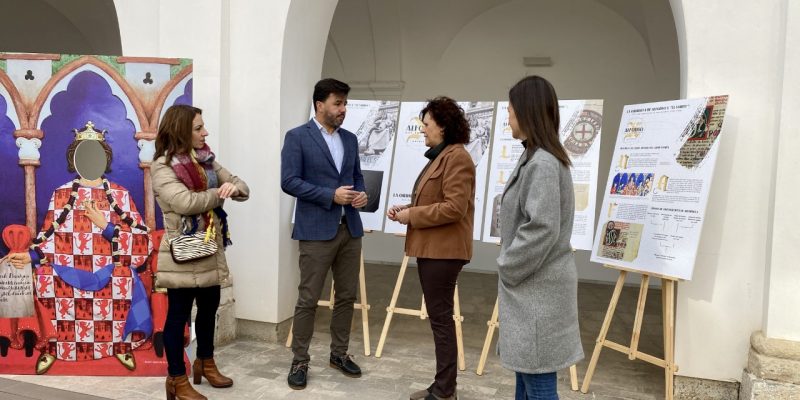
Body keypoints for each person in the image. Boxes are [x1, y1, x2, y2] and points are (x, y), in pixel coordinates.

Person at [4, 122, 153, 375]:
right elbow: (47, 239)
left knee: (125, 280)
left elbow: (142, 242)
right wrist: (29, 256)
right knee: (43, 278)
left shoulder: (120, 195)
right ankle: (54, 347)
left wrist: (106, 226)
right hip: (68, 270)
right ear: (74, 159)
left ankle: (120, 345)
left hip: (107, 269)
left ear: (104, 159)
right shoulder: (61, 195)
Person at [151, 105, 249, 400]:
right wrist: (219, 193)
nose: (205, 132)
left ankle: (205, 363)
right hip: (182, 254)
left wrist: (230, 188)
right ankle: (176, 380)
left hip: (209, 250)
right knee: (178, 317)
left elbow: (242, 187)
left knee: (208, 311)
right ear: (180, 129)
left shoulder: (206, 161)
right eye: (198, 128)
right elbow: (183, 202)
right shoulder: (162, 166)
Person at [496, 76, 584, 400]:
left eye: (510, 111)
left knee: (539, 386)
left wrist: (508, 263)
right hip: (534, 292)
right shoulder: (536, 156)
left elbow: (542, 228)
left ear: (527, 112)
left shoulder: (543, 163)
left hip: (537, 294)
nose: (508, 117)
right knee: (528, 378)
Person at [280, 78, 368, 390]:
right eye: (337, 103)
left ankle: (339, 354)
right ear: (320, 105)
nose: (343, 109)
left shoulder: (351, 139)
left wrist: (360, 195)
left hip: (350, 229)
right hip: (316, 230)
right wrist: (329, 195)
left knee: (346, 296)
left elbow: (356, 177)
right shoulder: (297, 138)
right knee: (308, 298)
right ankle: (300, 360)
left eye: (345, 104)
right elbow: (289, 181)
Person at [387, 96, 475, 400]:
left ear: (443, 125)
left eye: (426, 123)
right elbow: (436, 201)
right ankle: (442, 386)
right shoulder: (443, 156)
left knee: (441, 320)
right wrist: (408, 209)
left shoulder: (457, 157)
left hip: (444, 251)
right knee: (440, 319)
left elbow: (454, 208)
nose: (422, 128)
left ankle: (444, 390)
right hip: (434, 249)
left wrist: (413, 215)